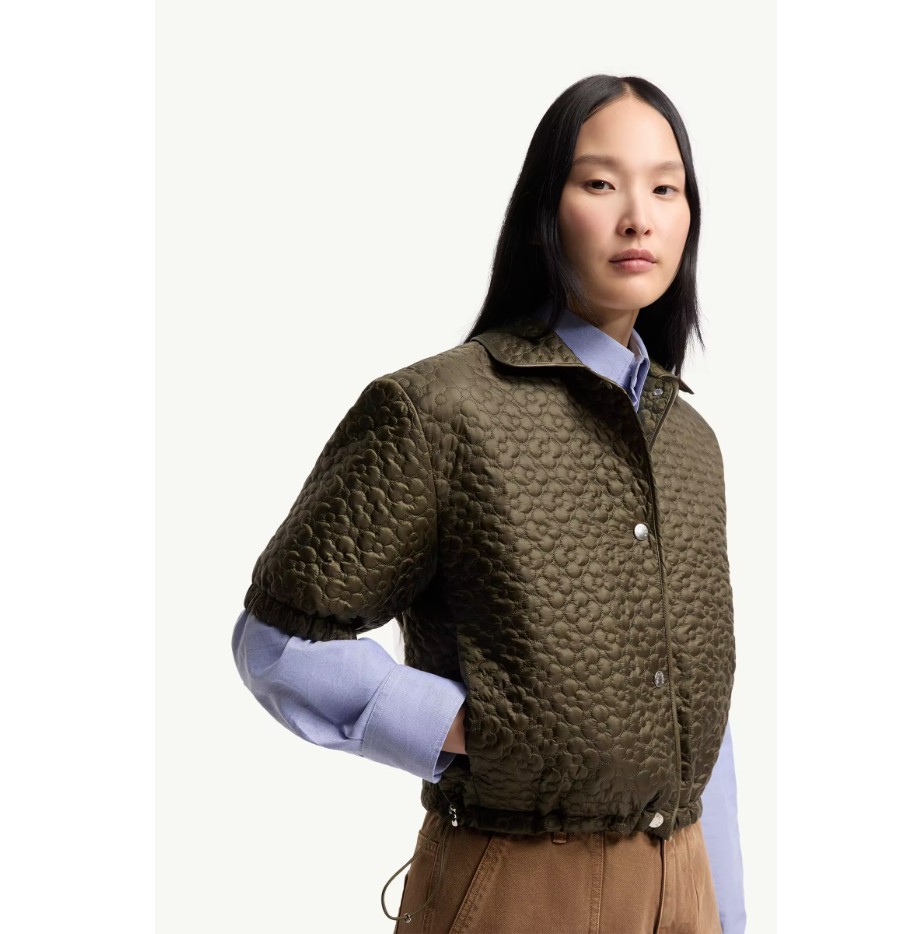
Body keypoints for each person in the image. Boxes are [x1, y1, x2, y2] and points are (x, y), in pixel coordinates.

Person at [232, 73, 746, 933]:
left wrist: (727, 912)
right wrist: (470, 729)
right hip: (520, 885)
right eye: (600, 183)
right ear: (545, 212)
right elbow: (275, 640)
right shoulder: (440, 411)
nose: (639, 217)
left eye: (666, 188)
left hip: (685, 885)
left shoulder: (691, 441)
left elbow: (705, 726)